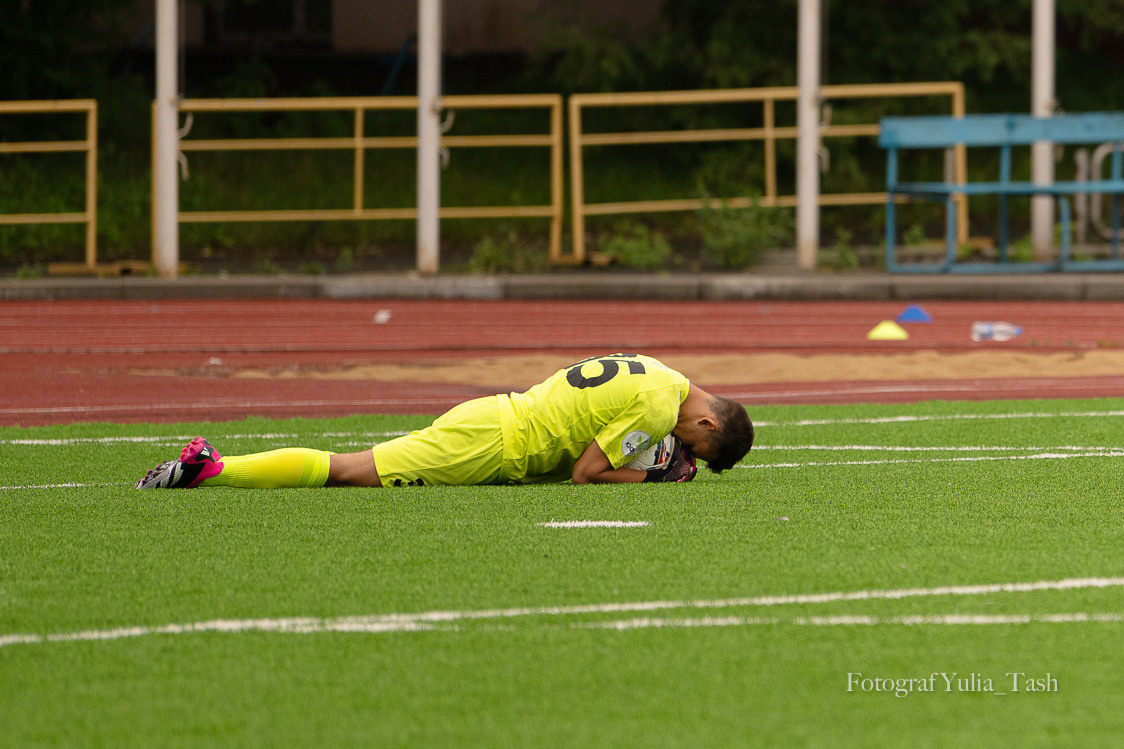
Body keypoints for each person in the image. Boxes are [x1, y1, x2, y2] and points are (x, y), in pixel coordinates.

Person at [135, 353, 754, 490]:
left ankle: (211, 467)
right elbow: (586, 474)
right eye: (696, 448)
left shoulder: (659, 373)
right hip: (491, 445)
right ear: (706, 423)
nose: (684, 449)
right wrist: (655, 478)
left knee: (354, 468)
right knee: (349, 471)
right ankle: (213, 469)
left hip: (496, 420)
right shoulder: (659, 408)